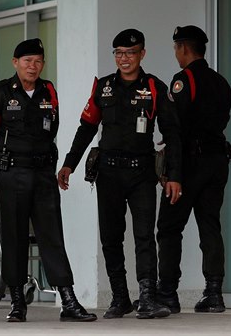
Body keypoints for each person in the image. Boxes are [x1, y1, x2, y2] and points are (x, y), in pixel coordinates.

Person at [57, 29, 182, 319]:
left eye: (130, 53)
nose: (124, 59)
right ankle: (120, 297)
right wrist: (69, 164)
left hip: (141, 173)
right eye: (119, 53)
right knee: (111, 238)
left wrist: (174, 175)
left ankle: (148, 297)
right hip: (109, 173)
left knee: (143, 237)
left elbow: (173, 134)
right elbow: (86, 128)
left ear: (142, 54)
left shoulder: (154, 87)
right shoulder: (103, 87)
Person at [0, 38, 96, 323]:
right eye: (27, 61)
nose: (33, 66)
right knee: (15, 237)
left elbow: (51, 127)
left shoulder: (48, 89)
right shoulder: (0, 91)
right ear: (15, 62)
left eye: (38, 61)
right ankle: (17, 301)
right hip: (12, 174)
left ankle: (68, 299)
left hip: (42, 174)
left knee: (52, 236)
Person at [155, 25, 231, 314]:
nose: (176, 54)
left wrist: (173, 170)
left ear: (184, 48)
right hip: (217, 161)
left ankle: (167, 293)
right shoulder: (221, 81)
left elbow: (177, 125)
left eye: (177, 48)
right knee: (210, 225)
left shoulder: (183, 79)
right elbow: (221, 119)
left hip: (189, 164)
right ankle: (214, 293)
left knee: (169, 227)